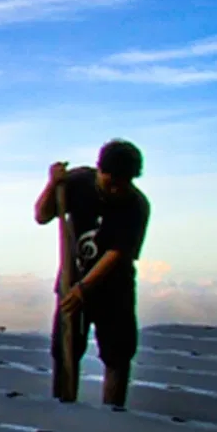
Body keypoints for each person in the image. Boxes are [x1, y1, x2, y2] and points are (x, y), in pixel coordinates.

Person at [34, 139, 151, 407]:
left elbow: (117, 254)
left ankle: (112, 415)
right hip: (71, 281)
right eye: (111, 181)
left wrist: (84, 289)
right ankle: (62, 409)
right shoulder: (77, 182)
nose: (115, 188)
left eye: (123, 183)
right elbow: (42, 215)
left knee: (118, 354)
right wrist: (53, 183)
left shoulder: (136, 205)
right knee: (65, 351)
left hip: (114, 289)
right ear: (100, 170)